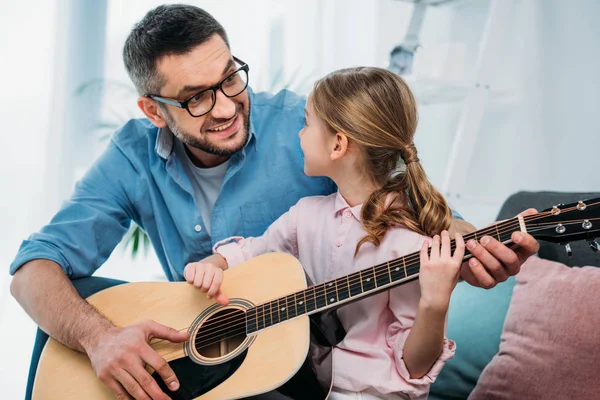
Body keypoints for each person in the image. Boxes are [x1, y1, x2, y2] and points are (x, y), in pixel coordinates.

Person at [8, 4, 540, 400]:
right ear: (153, 111)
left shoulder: (305, 127)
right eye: (196, 97)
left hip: (303, 367)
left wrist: (474, 245)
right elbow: (32, 270)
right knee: (74, 309)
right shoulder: (130, 153)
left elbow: (406, 200)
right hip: (206, 357)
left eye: (230, 78)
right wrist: (99, 338)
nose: (225, 107)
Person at [188, 67, 464, 400]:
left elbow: (415, 368)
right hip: (308, 387)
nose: (300, 135)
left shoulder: (410, 242)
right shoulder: (304, 217)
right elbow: (250, 255)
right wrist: (213, 265)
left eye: (306, 124)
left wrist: (434, 303)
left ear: (337, 145)